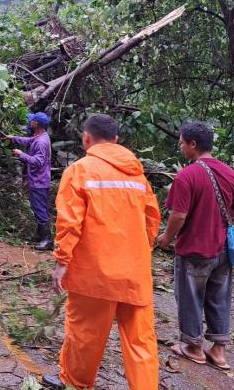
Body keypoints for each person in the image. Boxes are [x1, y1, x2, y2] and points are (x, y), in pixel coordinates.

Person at [43, 114, 161, 390]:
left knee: (86, 333)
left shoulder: (79, 171)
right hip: (135, 272)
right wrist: (139, 252)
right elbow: (152, 220)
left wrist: (62, 261)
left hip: (94, 271)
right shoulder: (137, 175)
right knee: (140, 340)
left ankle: (75, 383)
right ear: (116, 140)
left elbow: (69, 222)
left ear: (86, 138)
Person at [156, 121, 234, 371]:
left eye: (182, 144)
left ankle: (193, 347)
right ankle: (218, 351)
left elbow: (178, 215)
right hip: (223, 250)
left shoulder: (186, 176)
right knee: (219, 298)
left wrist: (166, 238)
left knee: (190, 297)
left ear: (193, 144)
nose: (181, 148)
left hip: (195, 249)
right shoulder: (230, 173)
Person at [7, 111, 53, 250]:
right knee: (38, 207)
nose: (30, 121)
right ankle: (40, 235)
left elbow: (37, 162)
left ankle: (47, 240)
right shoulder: (40, 136)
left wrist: (22, 155)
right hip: (40, 179)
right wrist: (14, 138)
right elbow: (29, 141)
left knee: (39, 208)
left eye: (32, 120)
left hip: (39, 181)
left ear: (36, 124)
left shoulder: (41, 142)